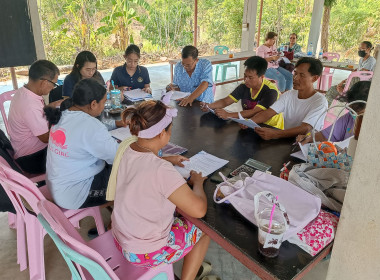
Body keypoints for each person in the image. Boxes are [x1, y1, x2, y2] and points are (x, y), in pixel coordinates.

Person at [107, 100, 210, 280]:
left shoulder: (127, 147)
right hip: (144, 253)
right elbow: (199, 210)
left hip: (120, 237)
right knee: (204, 231)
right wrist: (198, 183)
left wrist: (168, 159)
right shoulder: (160, 170)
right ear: (163, 133)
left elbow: (142, 163)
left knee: (177, 214)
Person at [44, 78, 120, 210]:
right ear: (93, 104)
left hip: (57, 185)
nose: (103, 108)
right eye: (103, 103)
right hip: (75, 194)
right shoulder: (91, 126)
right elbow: (118, 157)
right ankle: (119, 219)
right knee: (133, 175)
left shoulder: (63, 114)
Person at [251, 57, 328, 140]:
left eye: (302, 75)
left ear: (314, 78)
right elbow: (268, 113)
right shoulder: (288, 95)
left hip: (307, 146)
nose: (295, 78)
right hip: (287, 141)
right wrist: (250, 122)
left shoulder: (320, 102)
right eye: (295, 73)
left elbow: (306, 128)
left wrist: (276, 134)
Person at [8, 60, 62, 174]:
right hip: (32, 158)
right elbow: (46, 138)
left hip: (25, 150)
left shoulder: (24, 92)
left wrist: (53, 105)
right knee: (74, 150)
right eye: (54, 84)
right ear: (44, 83)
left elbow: (38, 113)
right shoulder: (30, 105)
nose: (53, 88)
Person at [200, 56, 284, 129]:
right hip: (249, 124)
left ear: (261, 77)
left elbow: (255, 112)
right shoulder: (244, 87)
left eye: (250, 77)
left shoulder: (271, 91)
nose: (246, 80)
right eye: (245, 76)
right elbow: (226, 101)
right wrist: (209, 106)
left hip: (270, 127)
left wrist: (229, 115)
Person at [297, 81, 370, 144]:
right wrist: (309, 137)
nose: (354, 114)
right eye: (352, 110)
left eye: (359, 111)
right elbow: (326, 135)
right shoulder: (349, 117)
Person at [325, 41, 376, 106]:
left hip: (360, 87)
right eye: (359, 48)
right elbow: (354, 74)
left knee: (333, 91)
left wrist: (345, 88)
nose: (359, 50)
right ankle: (327, 108)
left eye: (362, 48)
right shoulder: (361, 60)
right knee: (332, 89)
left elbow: (360, 75)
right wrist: (342, 82)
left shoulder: (371, 60)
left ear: (368, 49)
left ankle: (345, 98)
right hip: (353, 84)